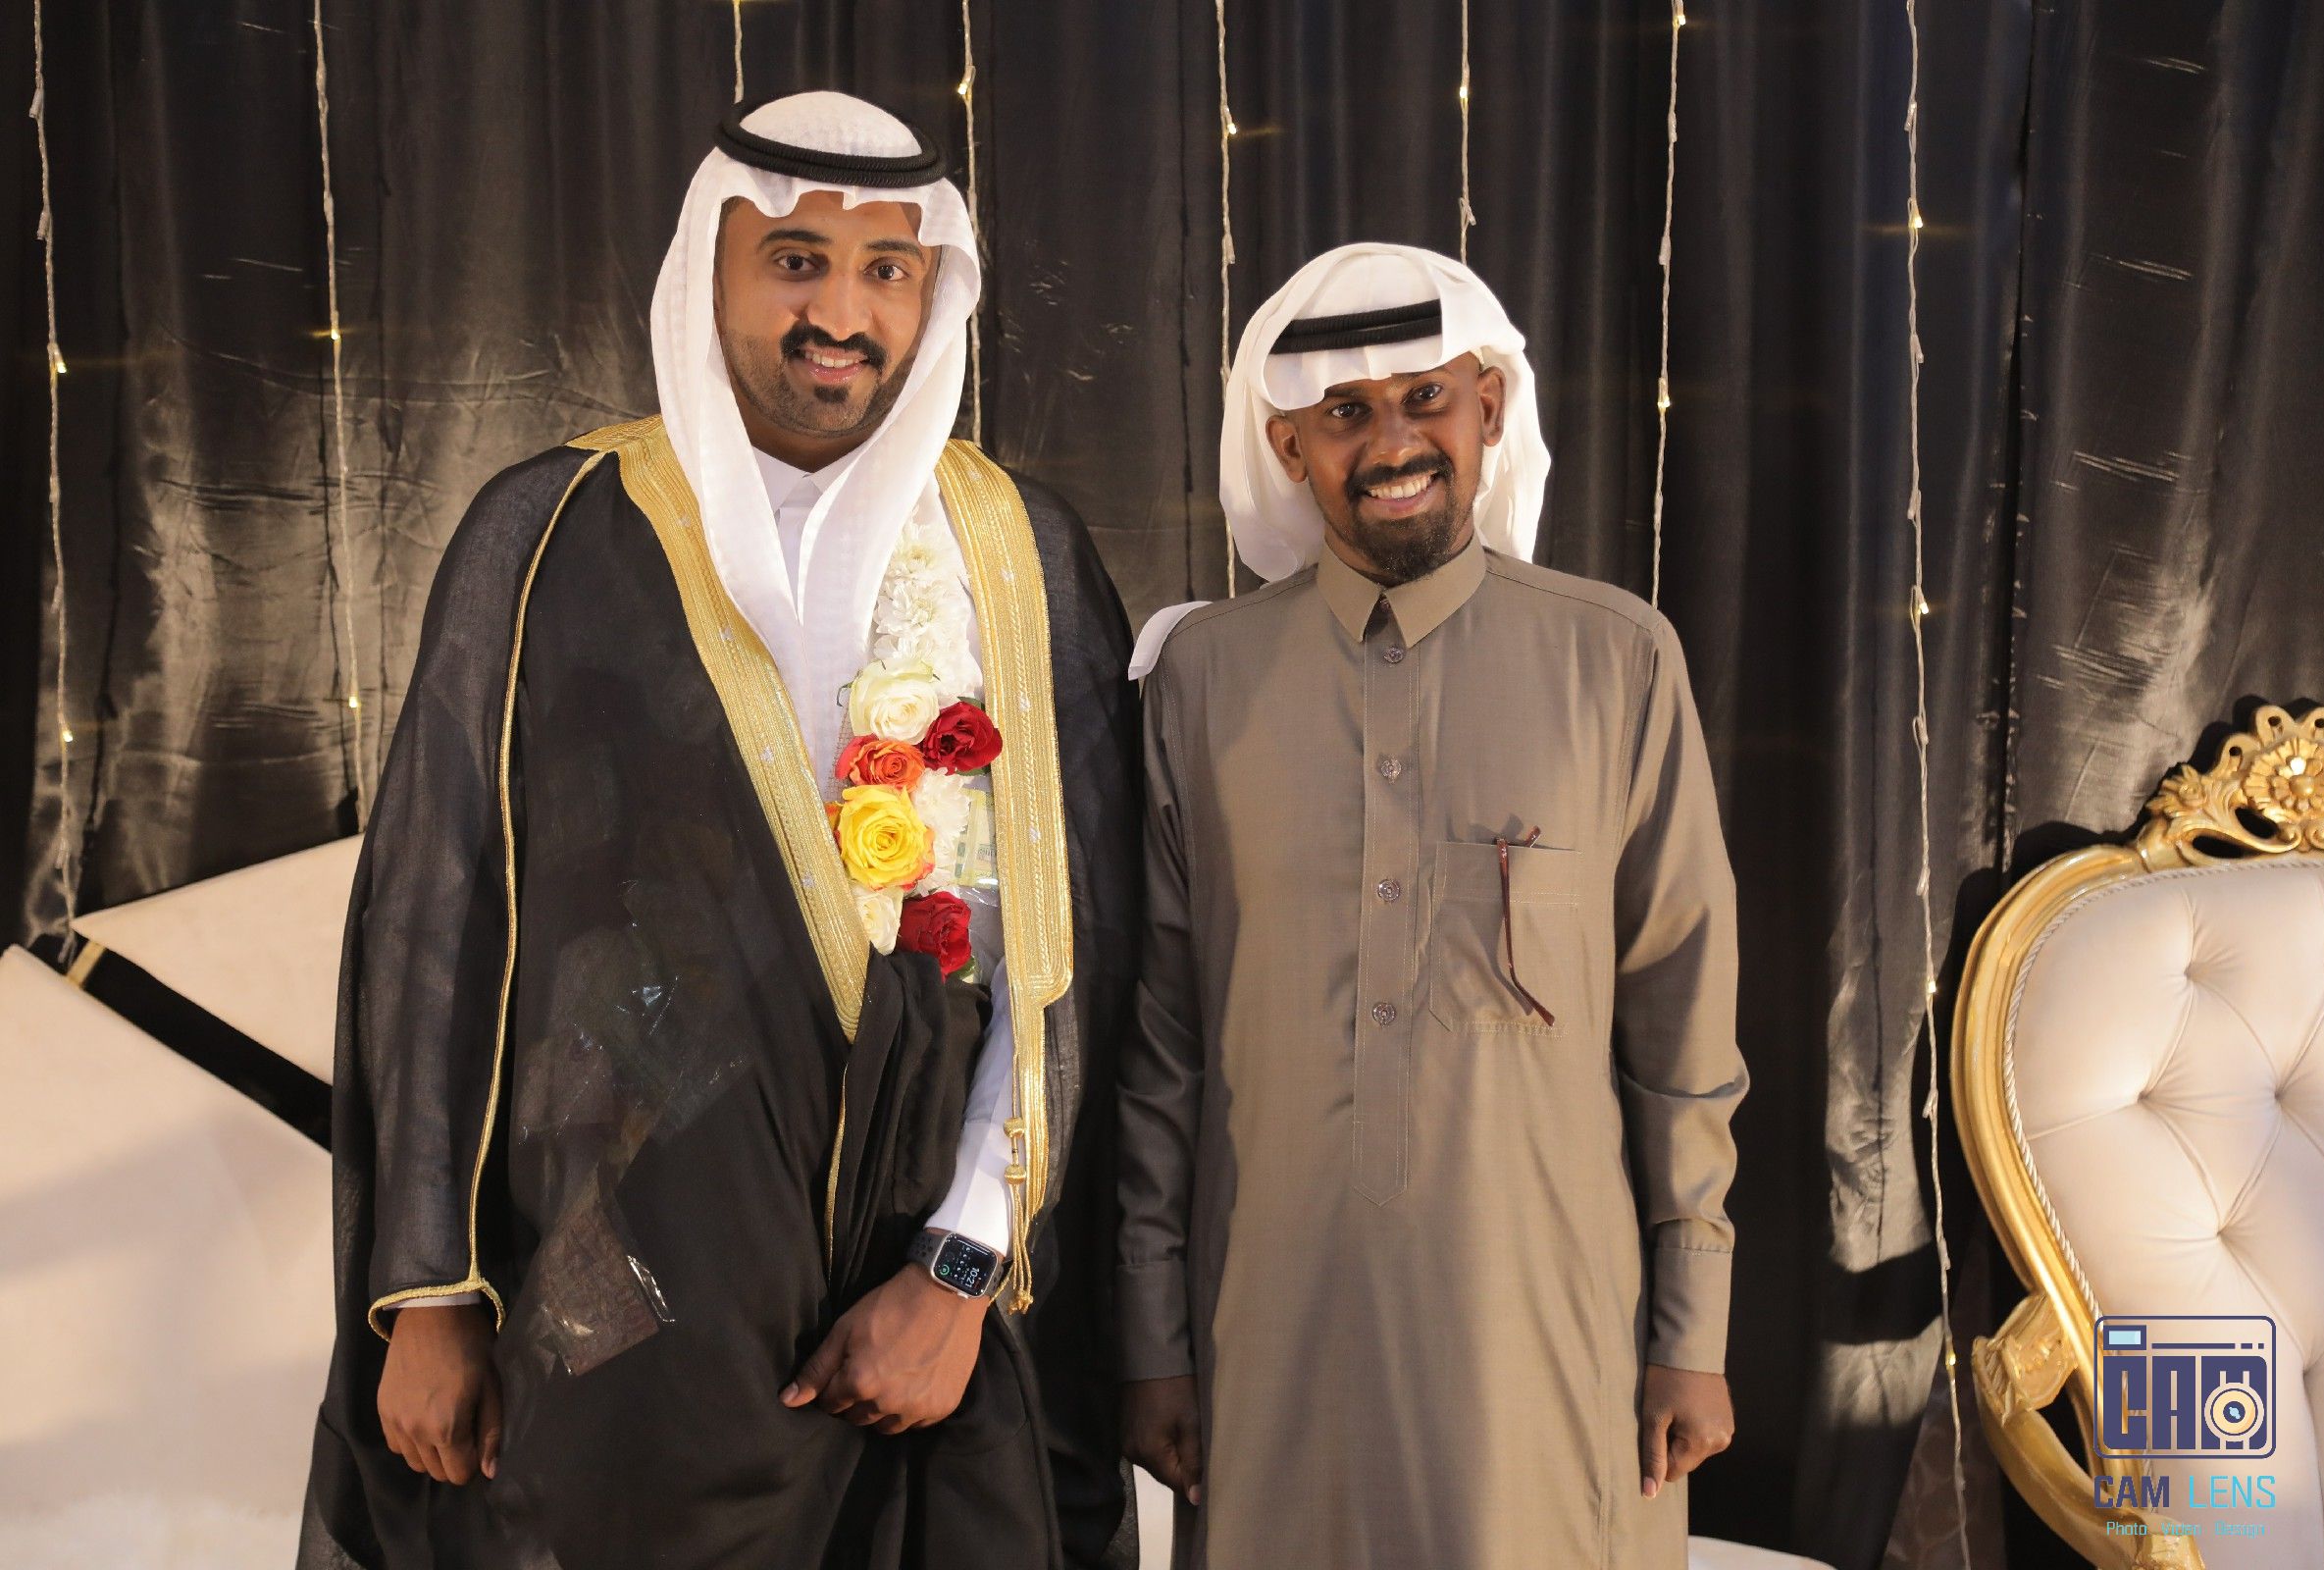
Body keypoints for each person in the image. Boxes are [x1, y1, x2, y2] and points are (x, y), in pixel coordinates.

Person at [299, 91, 1142, 1570]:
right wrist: (429, 1290)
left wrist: (959, 1270)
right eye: (796, 261)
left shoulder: (1020, 556)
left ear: (934, 290)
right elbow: (435, 921)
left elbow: (1064, 962)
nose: (844, 314)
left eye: (887, 270)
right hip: (620, 1310)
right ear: (711, 268)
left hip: (919, 1323)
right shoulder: (545, 532)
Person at [1115, 243, 1745, 1569]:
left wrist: (1692, 1329)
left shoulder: (1616, 661)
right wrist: (1151, 1337)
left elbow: (1684, 1027)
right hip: (1271, 1333)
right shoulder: (1202, 682)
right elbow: (1161, 1047)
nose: (1391, 442)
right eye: (1345, 413)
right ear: (1288, 447)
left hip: (1550, 1338)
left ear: (1490, 409)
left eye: (1425, 400)